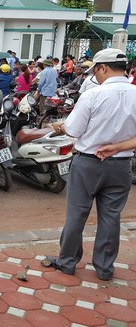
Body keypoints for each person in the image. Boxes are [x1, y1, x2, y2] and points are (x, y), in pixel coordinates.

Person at [47, 49, 136, 281]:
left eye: (95, 69)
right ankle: (105, 268)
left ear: (103, 67)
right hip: (121, 165)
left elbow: (73, 130)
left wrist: (59, 126)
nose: (94, 75)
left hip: (88, 163)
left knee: (77, 214)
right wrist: (118, 147)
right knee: (111, 216)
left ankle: (67, 262)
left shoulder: (93, 95)